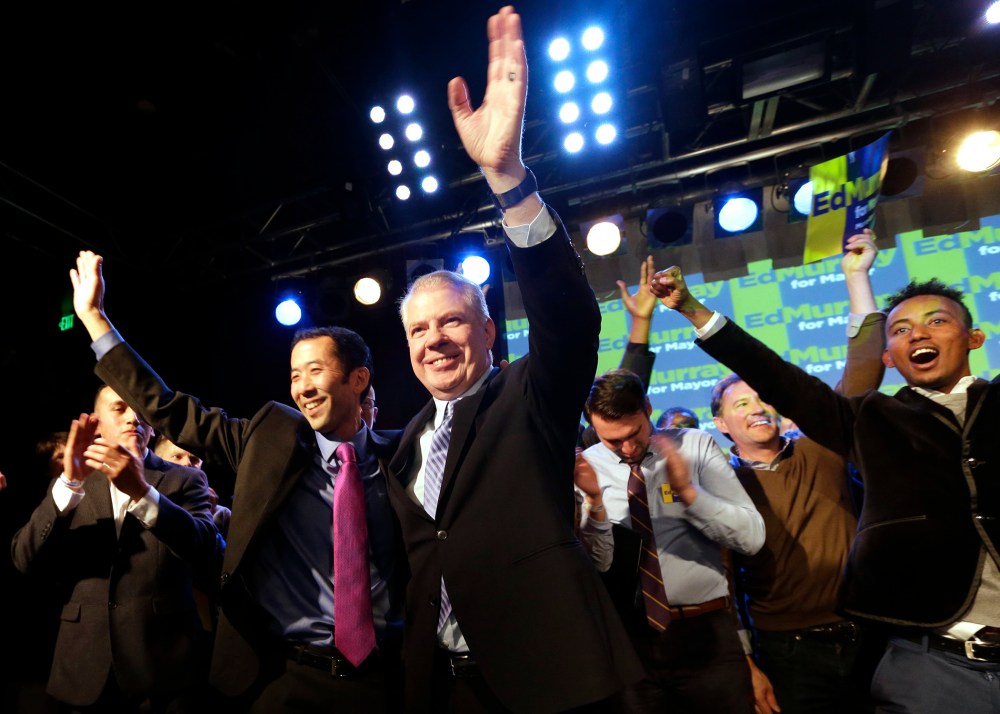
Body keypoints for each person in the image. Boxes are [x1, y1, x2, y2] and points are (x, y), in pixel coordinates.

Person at [385, 7, 642, 712]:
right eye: (418, 330)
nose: (433, 340)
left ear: (490, 332)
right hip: (445, 688)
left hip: (549, 684)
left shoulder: (528, 397)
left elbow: (569, 320)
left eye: (451, 323)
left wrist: (509, 180)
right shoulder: (405, 444)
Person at [651, 237, 1000, 713]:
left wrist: (857, 277)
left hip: (867, 637)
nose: (918, 335)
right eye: (900, 330)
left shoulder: (822, 447)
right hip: (913, 660)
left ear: (974, 337)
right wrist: (694, 311)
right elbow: (780, 377)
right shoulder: (869, 422)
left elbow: (840, 371)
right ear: (889, 355)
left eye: (937, 321)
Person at [68, 257, 406, 710]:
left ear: (358, 379)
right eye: (293, 375)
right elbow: (169, 408)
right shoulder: (269, 440)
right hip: (285, 678)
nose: (301, 387)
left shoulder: (404, 456)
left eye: (315, 371)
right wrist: (95, 319)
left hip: (385, 681)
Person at [11, 385, 219, 712]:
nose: (133, 418)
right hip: (82, 668)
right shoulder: (71, 480)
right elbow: (24, 559)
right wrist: (68, 485)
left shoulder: (185, 480)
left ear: (152, 425)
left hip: (164, 671)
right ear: (96, 422)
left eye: (140, 410)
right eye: (120, 408)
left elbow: (209, 552)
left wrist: (143, 493)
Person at [577, 369, 764, 713]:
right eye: (613, 441)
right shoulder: (587, 467)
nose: (628, 448)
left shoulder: (694, 446)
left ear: (647, 408)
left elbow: (751, 538)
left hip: (705, 635)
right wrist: (595, 505)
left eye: (634, 433)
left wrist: (691, 495)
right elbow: (600, 564)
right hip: (630, 641)